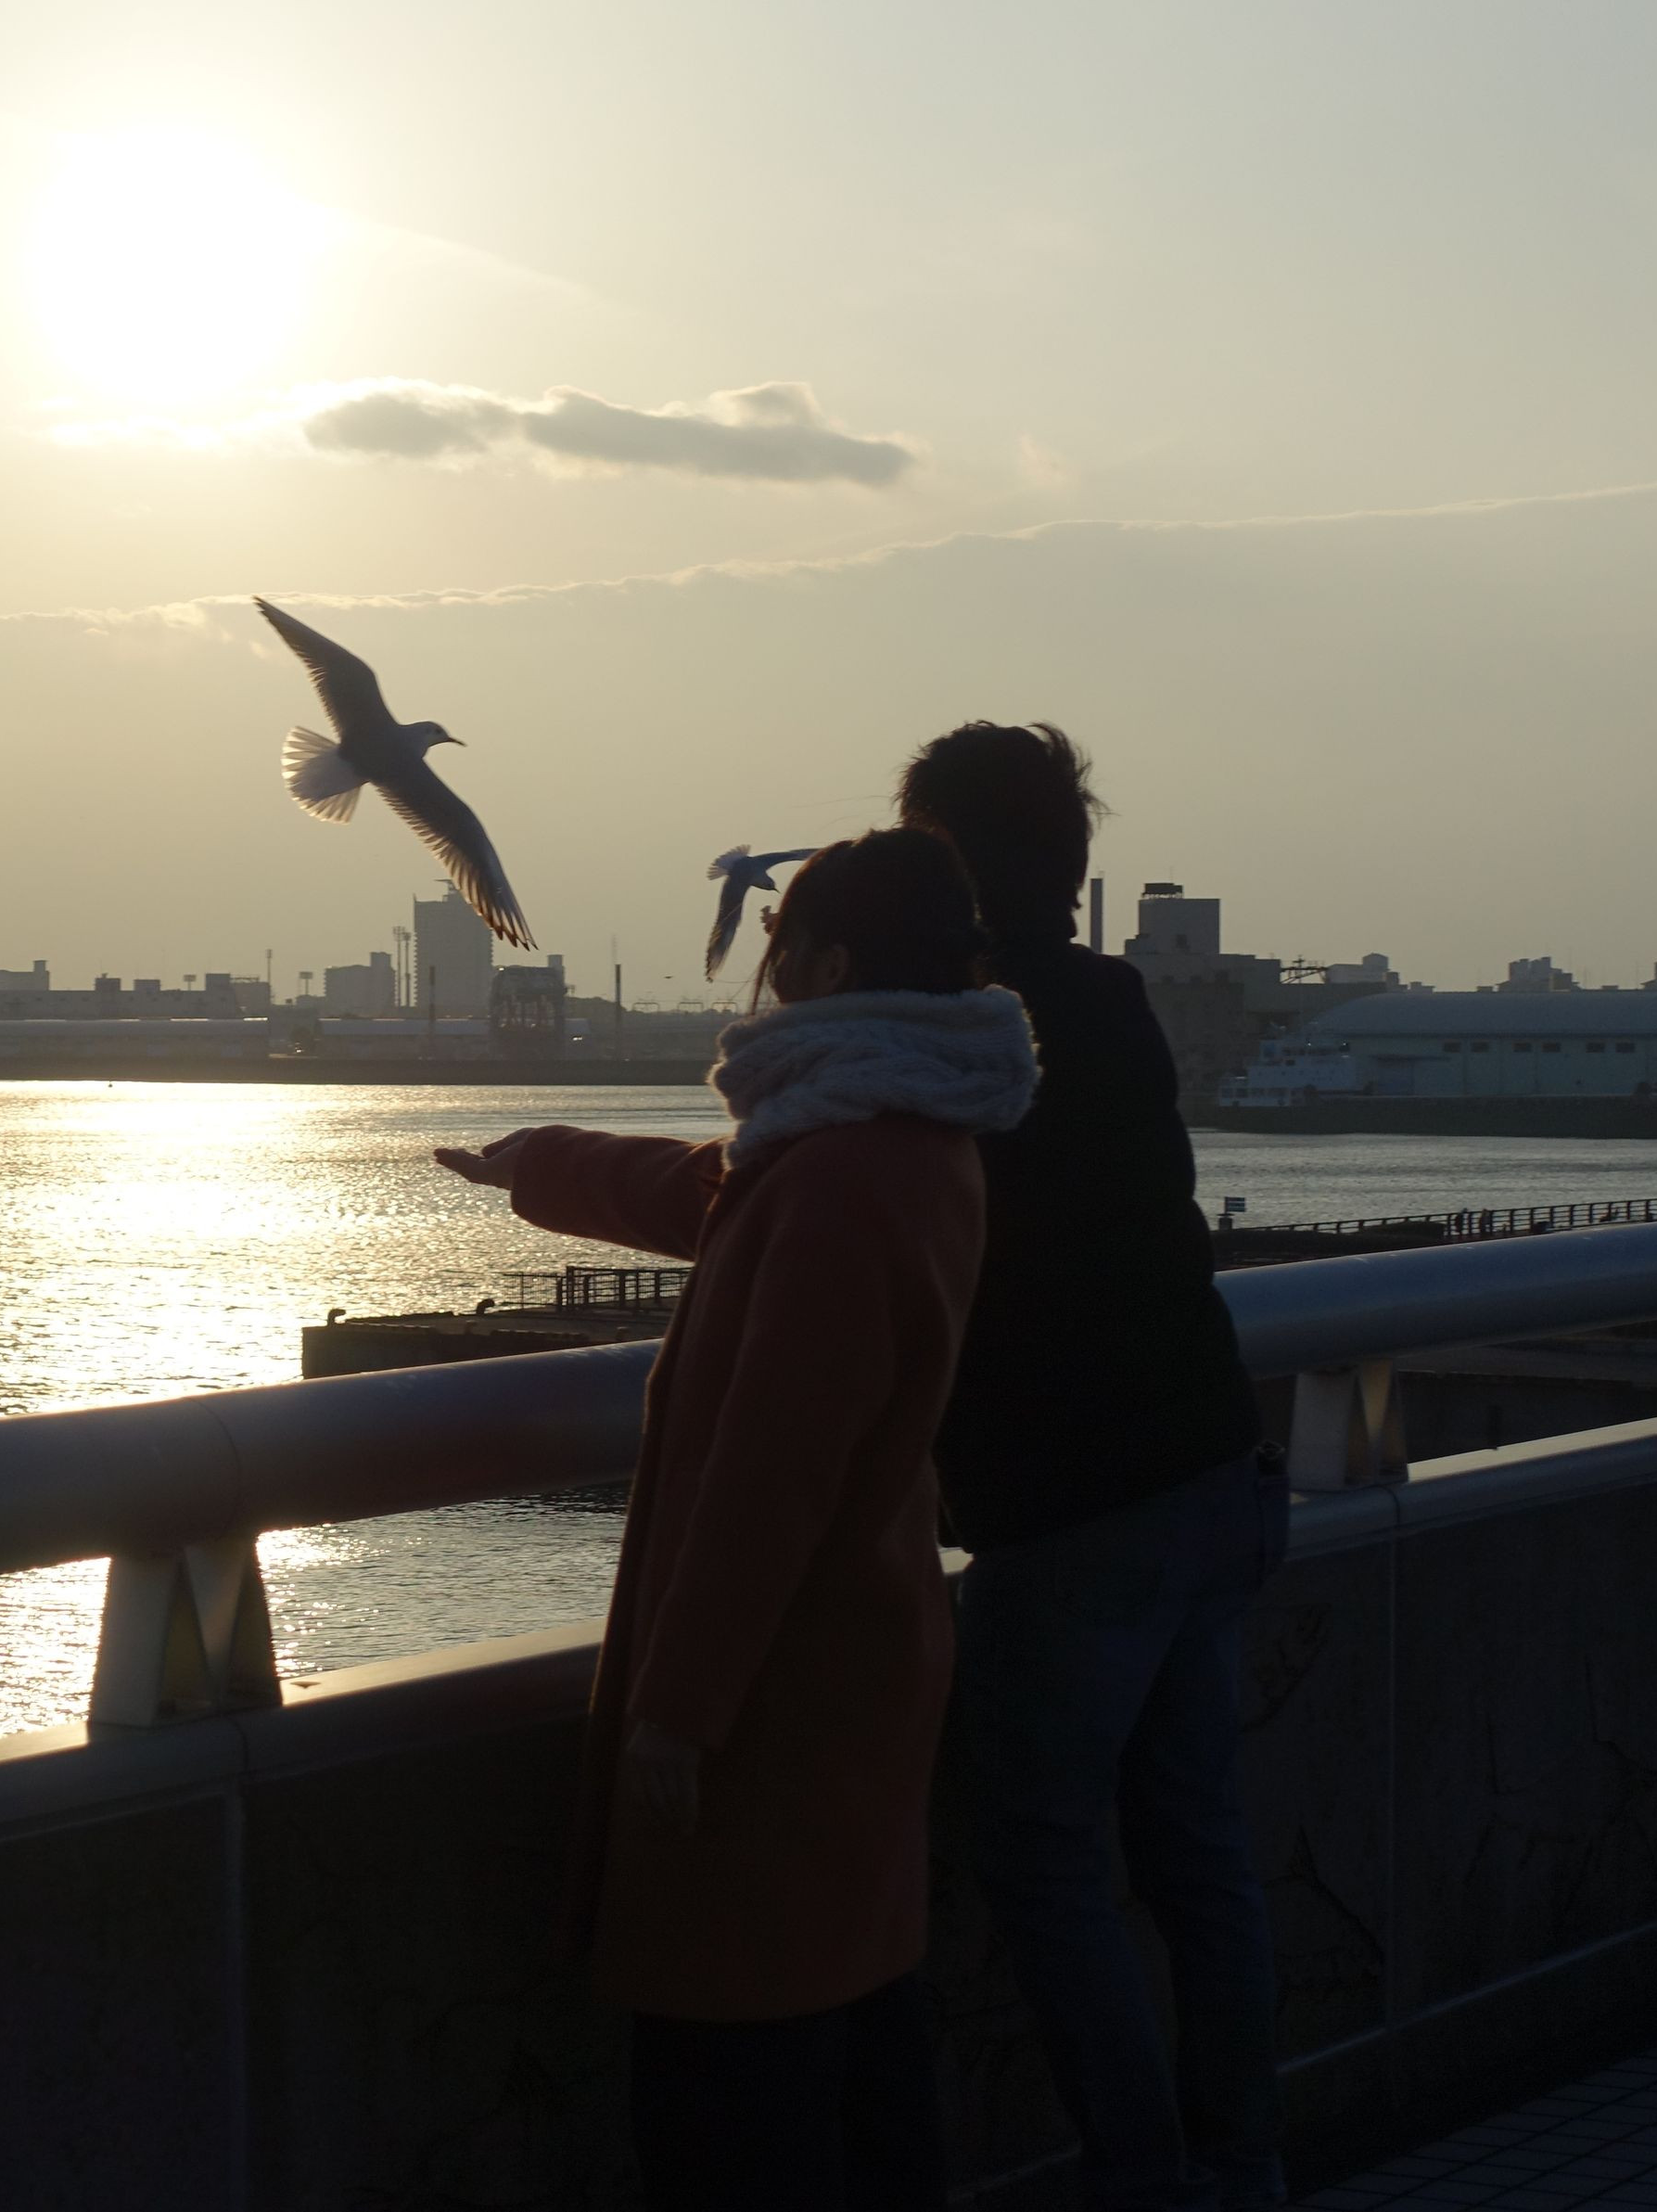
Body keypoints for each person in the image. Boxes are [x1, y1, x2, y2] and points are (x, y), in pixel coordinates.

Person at [435, 829, 1037, 2209]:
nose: (761, 975)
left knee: (733, 2078)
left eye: (776, 950)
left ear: (827, 964)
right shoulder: (907, 1139)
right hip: (862, 1651)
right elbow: (723, 1195)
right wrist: (544, 1162)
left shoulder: (840, 1174)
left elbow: (773, 1468)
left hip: (778, 1695)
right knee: (860, 2028)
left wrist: (681, 1706)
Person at [895, 723, 1286, 2212]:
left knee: (1048, 1860)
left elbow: (817, 1181)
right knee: (1197, 1852)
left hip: (1069, 1509)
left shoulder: (957, 1023)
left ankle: (1142, 2178)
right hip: (1209, 1461)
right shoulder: (1112, 999)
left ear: (942, 856)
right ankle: (1236, 2166)